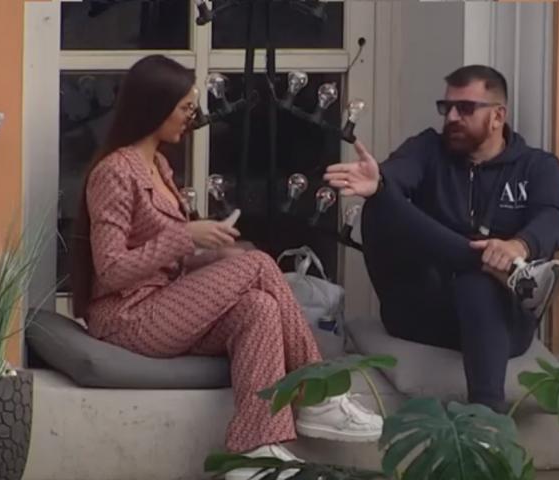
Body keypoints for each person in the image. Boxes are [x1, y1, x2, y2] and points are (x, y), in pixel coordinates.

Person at [70, 55, 382, 480]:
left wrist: (212, 253)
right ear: (155, 107)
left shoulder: (159, 166)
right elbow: (110, 271)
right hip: (128, 317)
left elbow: (166, 259)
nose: (191, 117)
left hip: (165, 304)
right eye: (185, 107)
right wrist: (186, 236)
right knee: (258, 265)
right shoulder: (114, 172)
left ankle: (254, 451)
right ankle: (316, 392)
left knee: (258, 307)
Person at [324, 65, 559, 412]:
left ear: (498, 116)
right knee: (380, 203)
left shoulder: (537, 166)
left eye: (465, 108)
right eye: (447, 107)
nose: (452, 117)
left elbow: (555, 218)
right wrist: (380, 183)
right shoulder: (427, 148)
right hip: (422, 310)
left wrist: (519, 246)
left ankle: (486, 419)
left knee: (477, 284)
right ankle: (512, 273)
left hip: (500, 320)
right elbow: (397, 176)